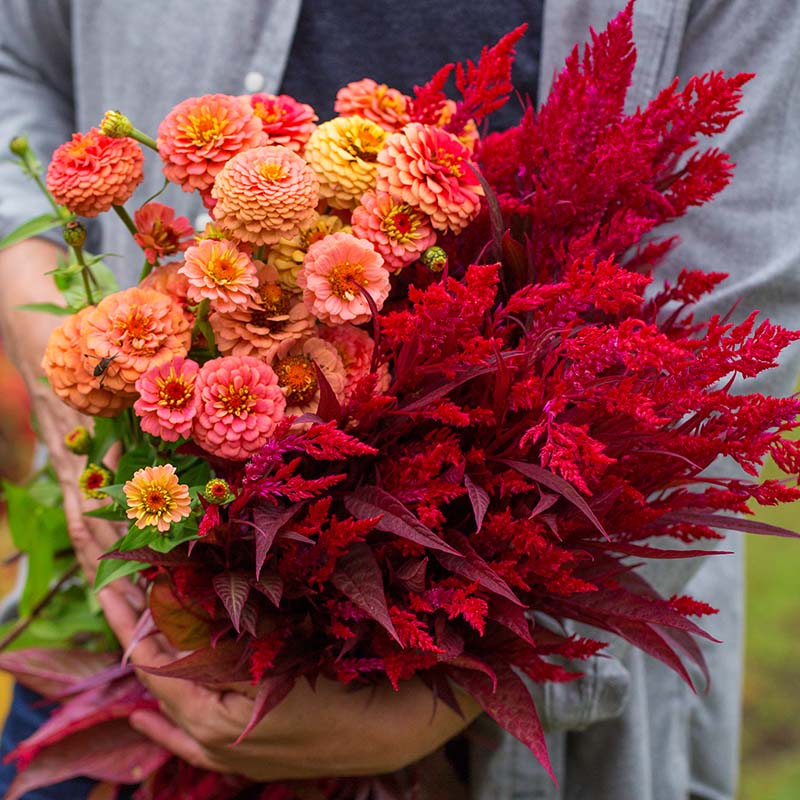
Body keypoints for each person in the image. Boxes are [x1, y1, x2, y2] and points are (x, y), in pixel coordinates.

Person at [1, 1, 799, 798]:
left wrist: (468, 683)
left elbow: (731, 323)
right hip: (115, 623)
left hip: (483, 704)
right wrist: (65, 365)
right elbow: (15, 62)